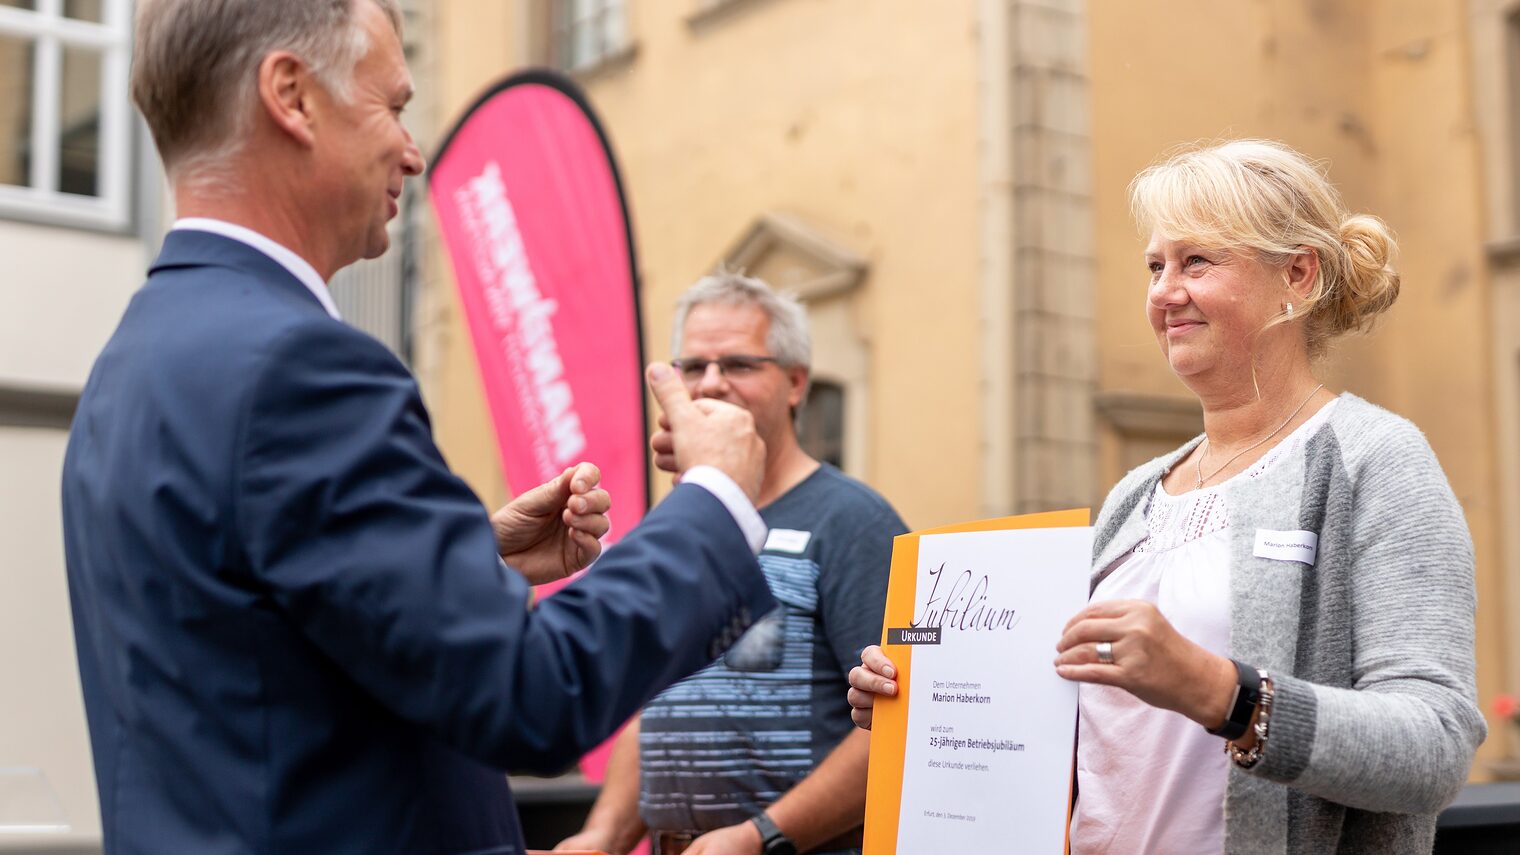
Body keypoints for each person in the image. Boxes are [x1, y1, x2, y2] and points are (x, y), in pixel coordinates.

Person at [61, 2, 779, 852]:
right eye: (394, 106)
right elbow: (533, 696)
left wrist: (471, 560)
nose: (413, 149)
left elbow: (253, 650)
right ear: (291, 96)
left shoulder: (133, 359)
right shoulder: (299, 367)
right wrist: (715, 499)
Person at [846, 140, 1486, 854]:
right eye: (1155, 266)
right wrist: (931, 706)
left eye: (1197, 262)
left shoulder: (1374, 459)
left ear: (1297, 275)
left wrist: (1223, 692)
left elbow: (1436, 744)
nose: (1164, 291)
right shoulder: (1133, 496)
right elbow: (1086, 741)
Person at [556, 273, 908, 855]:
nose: (711, 382)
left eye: (739, 364)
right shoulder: (683, 522)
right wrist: (604, 833)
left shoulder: (853, 521)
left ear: (796, 383)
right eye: (692, 367)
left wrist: (761, 836)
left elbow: (897, 725)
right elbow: (662, 704)